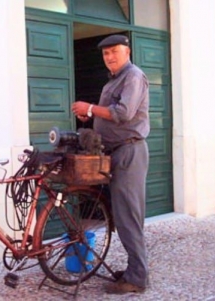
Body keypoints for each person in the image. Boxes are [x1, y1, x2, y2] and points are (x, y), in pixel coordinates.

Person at [71, 34, 150, 294]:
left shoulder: (133, 76)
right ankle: (132, 271)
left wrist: (91, 108)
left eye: (114, 51)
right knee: (122, 214)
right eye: (105, 54)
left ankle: (137, 279)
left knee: (128, 216)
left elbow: (124, 113)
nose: (110, 57)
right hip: (116, 152)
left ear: (127, 51)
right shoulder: (115, 80)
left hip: (129, 151)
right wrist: (89, 115)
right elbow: (110, 114)